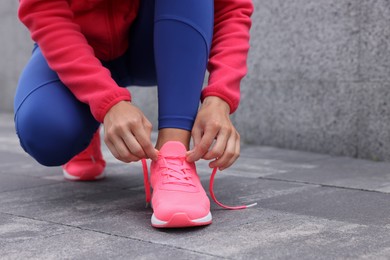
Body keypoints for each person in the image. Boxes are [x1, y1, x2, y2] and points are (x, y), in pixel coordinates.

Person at [14, 0, 254, 228]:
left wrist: (219, 97)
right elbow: (44, 10)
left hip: (157, 38)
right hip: (76, 42)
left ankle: (174, 155)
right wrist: (106, 102)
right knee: (45, 130)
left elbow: (231, 8)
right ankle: (85, 116)